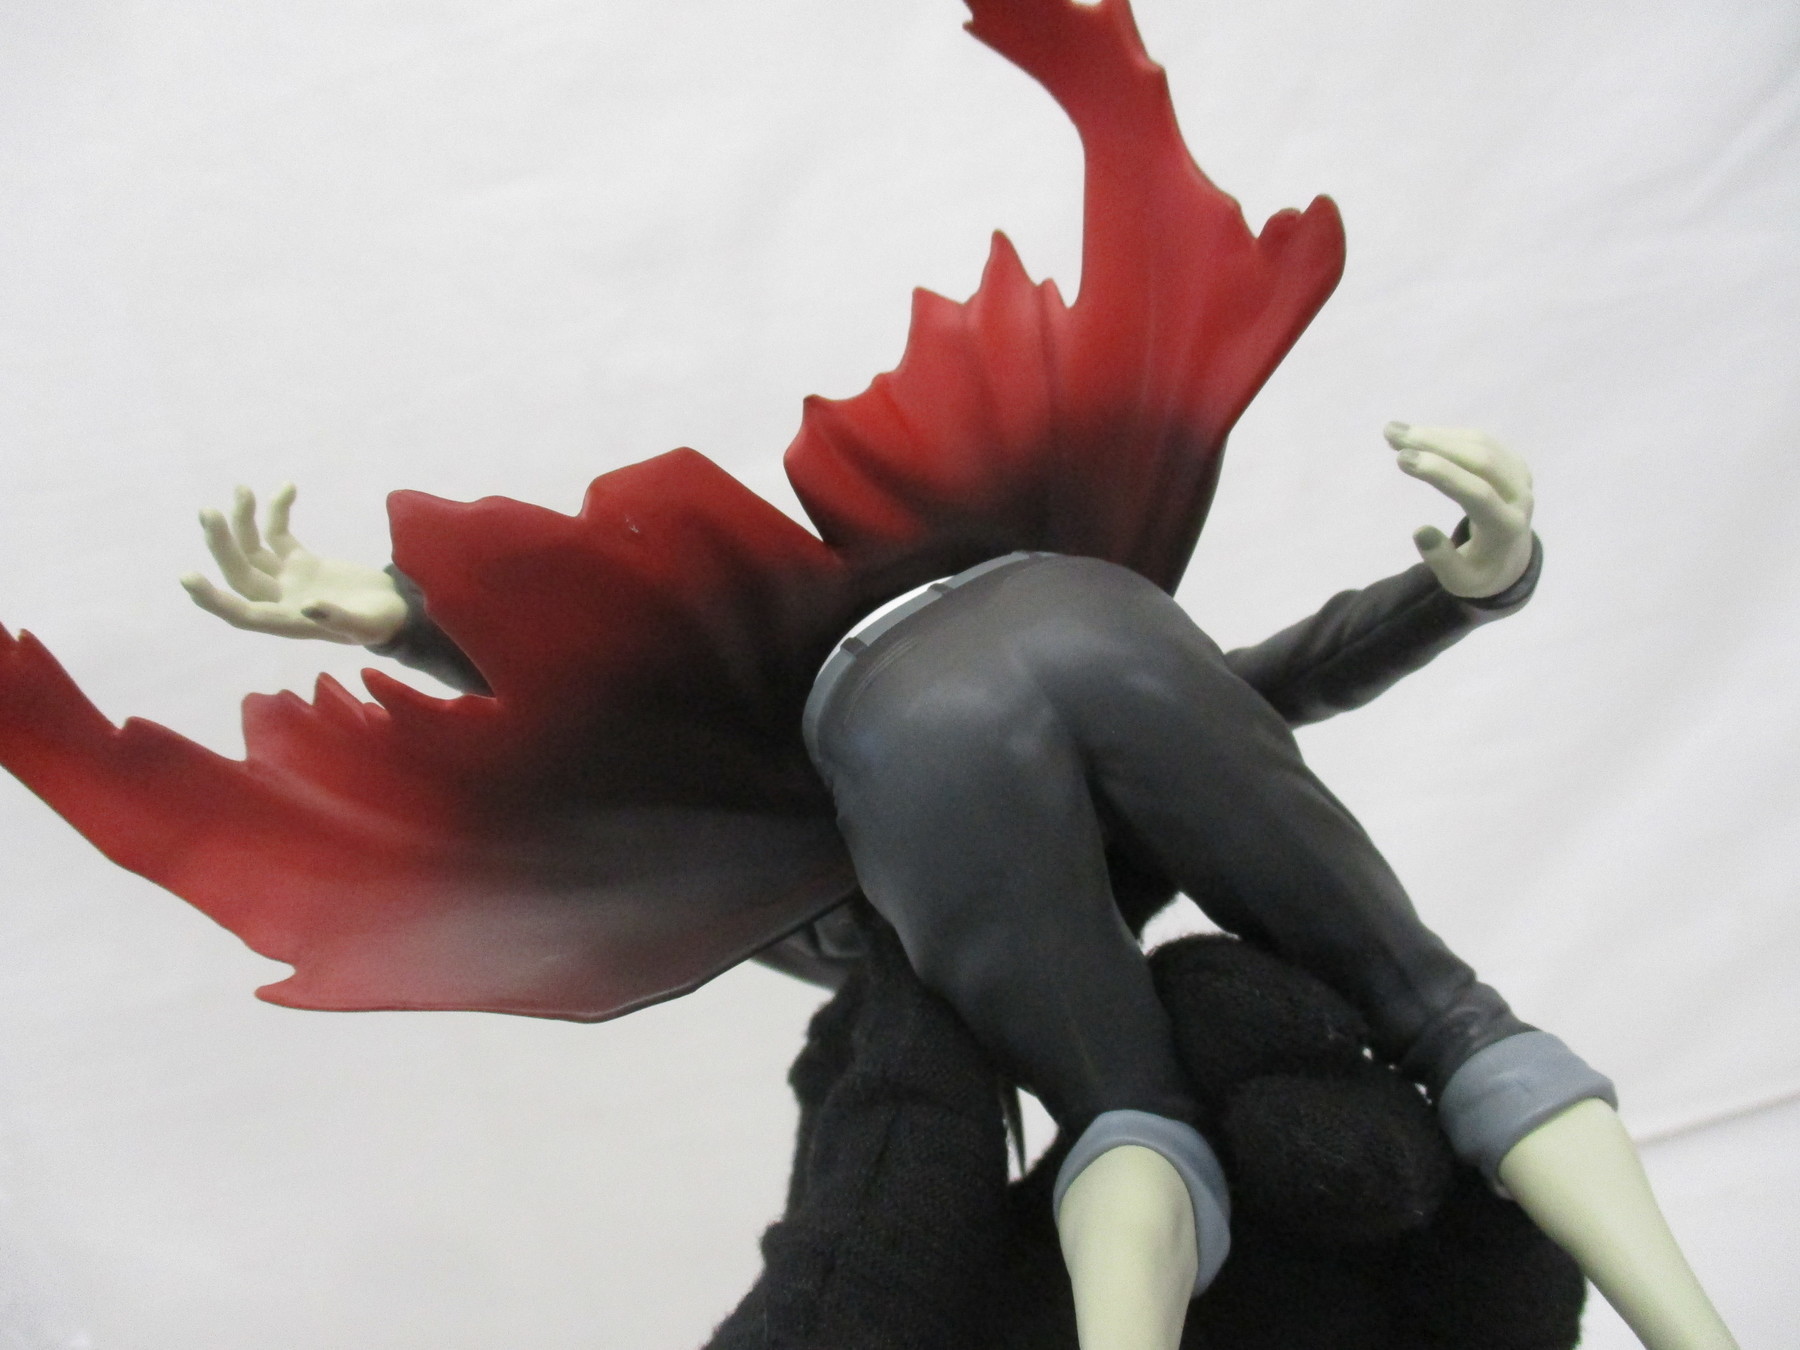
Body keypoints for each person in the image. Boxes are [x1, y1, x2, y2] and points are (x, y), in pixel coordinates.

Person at [178, 424, 1736, 1350]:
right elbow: (1284, 677)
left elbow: (642, 716)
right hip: (1095, 613)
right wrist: (1466, 588)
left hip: (894, 724)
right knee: (1447, 1015)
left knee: (1128, 1115)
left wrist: (416, 619)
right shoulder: (935, 799)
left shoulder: (863, 866)